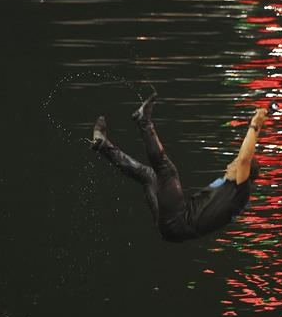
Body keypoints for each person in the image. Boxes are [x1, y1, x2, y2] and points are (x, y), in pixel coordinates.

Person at [91, 94, 268, 242]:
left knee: (167, 171)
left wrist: (255, 124)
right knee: (148, 176)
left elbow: (245, 158)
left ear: (244, 173)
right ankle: (102, 145)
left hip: (178, 221)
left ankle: (144, 121)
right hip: (170, 229)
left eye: (235, 163)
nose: (230, 164)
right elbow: (243, 159)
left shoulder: (241, 191)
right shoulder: (230, 189)